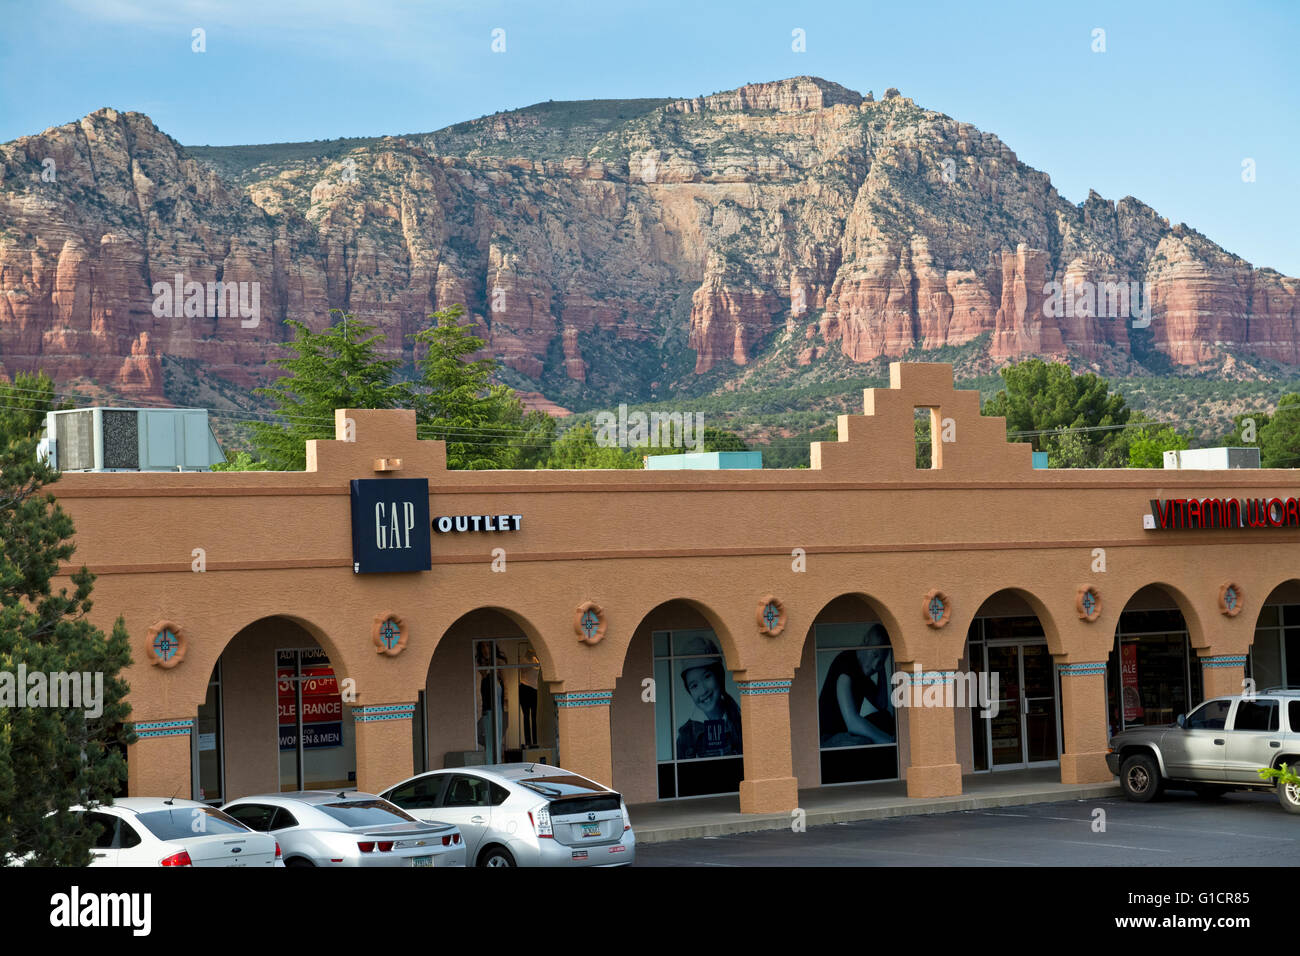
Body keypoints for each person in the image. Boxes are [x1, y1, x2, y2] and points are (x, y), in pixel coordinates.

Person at [818, 624, 895, 747]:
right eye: (875, 655)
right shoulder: (846, 662)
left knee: (885, 718)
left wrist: (881, 668)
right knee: (864, 741)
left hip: (846, 733)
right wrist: (886, 739)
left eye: (880, 661)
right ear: (865, 642)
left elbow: (881, 705)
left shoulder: (863, 672)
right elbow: (852, 721)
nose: (875, 665)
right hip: (828, 738)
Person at [674, 635, 742, 759]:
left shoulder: (741, 723)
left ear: (719, 675)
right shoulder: (685, 737)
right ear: (688, 691)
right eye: (694, 685)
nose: (703, 690)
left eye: (707, 677)